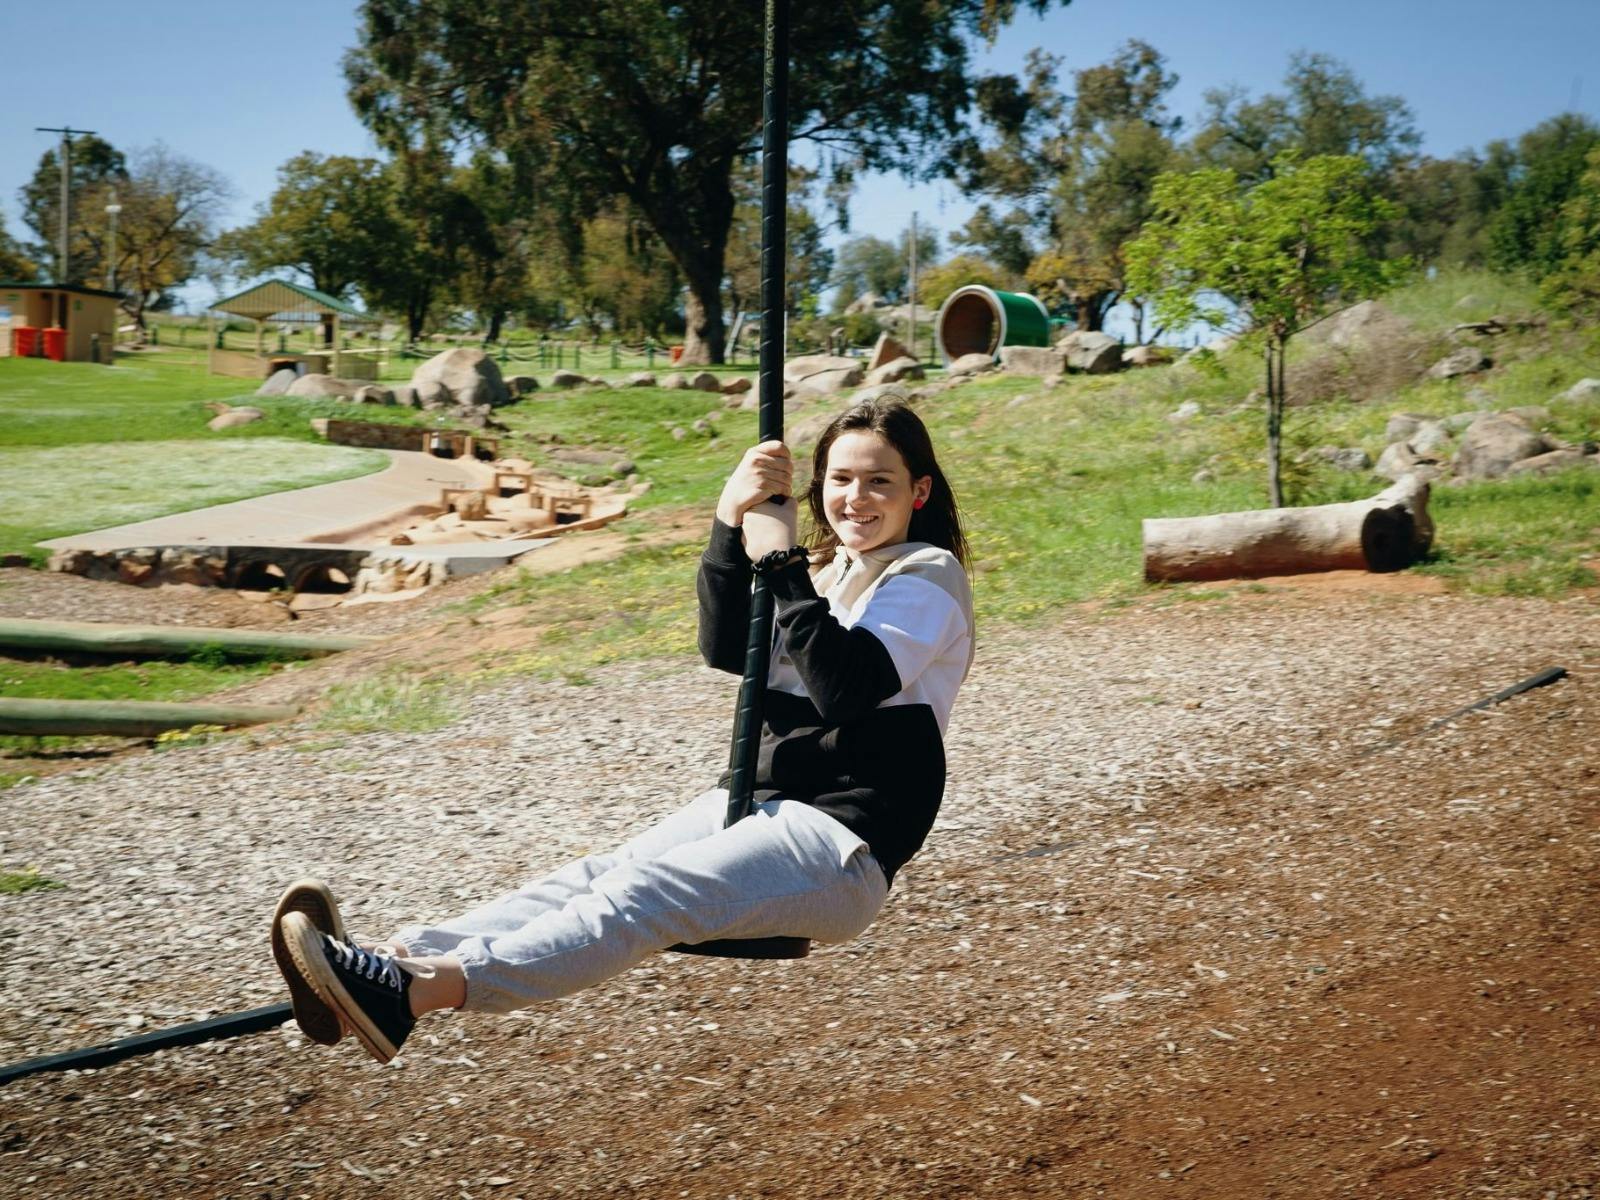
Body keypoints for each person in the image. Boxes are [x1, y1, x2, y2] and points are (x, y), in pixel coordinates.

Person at [272, 394, 975, 1064]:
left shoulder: (925, 577)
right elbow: (731, 651)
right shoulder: (827, 569)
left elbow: (848, 688)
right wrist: (730, 527)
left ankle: (409, 995)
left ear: (918, 492)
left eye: (880, 482)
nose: (856, 498)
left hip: (843, 840)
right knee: (599, 874)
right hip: (766, 803)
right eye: (841, 479)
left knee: (639, 897)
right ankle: (385, 965)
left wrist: (784, 566)